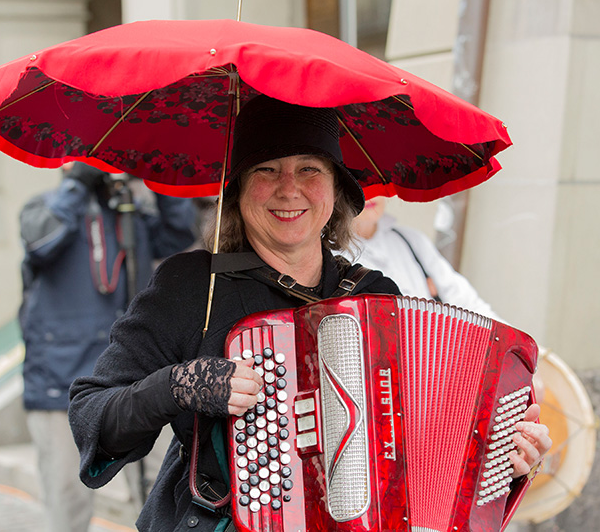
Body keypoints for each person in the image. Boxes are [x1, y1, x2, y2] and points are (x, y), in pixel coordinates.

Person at [67, 95, 551, 531]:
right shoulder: (192, 286)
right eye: (267, 170)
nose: (289, 190)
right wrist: (177, 386)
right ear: (237, 191)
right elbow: (91, 414)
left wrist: (497, 461)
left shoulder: (375, 297)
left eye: (309, 170)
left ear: (336, 191)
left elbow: (424, 453)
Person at [18, 161, 196, 532]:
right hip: (60, 383)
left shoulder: (128, 213)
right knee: (68, 505)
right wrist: (78, 184)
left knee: (158, 496)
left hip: (132, 380)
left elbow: (178, 234)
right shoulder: (44, 207)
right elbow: (41, 242)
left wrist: (158, 174)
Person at [342, 195, 501, 318]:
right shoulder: (330, 255)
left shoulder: (411, 240)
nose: (370, 194)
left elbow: (466, 302)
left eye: (374, 183)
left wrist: (517, 349)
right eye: (358, 183)